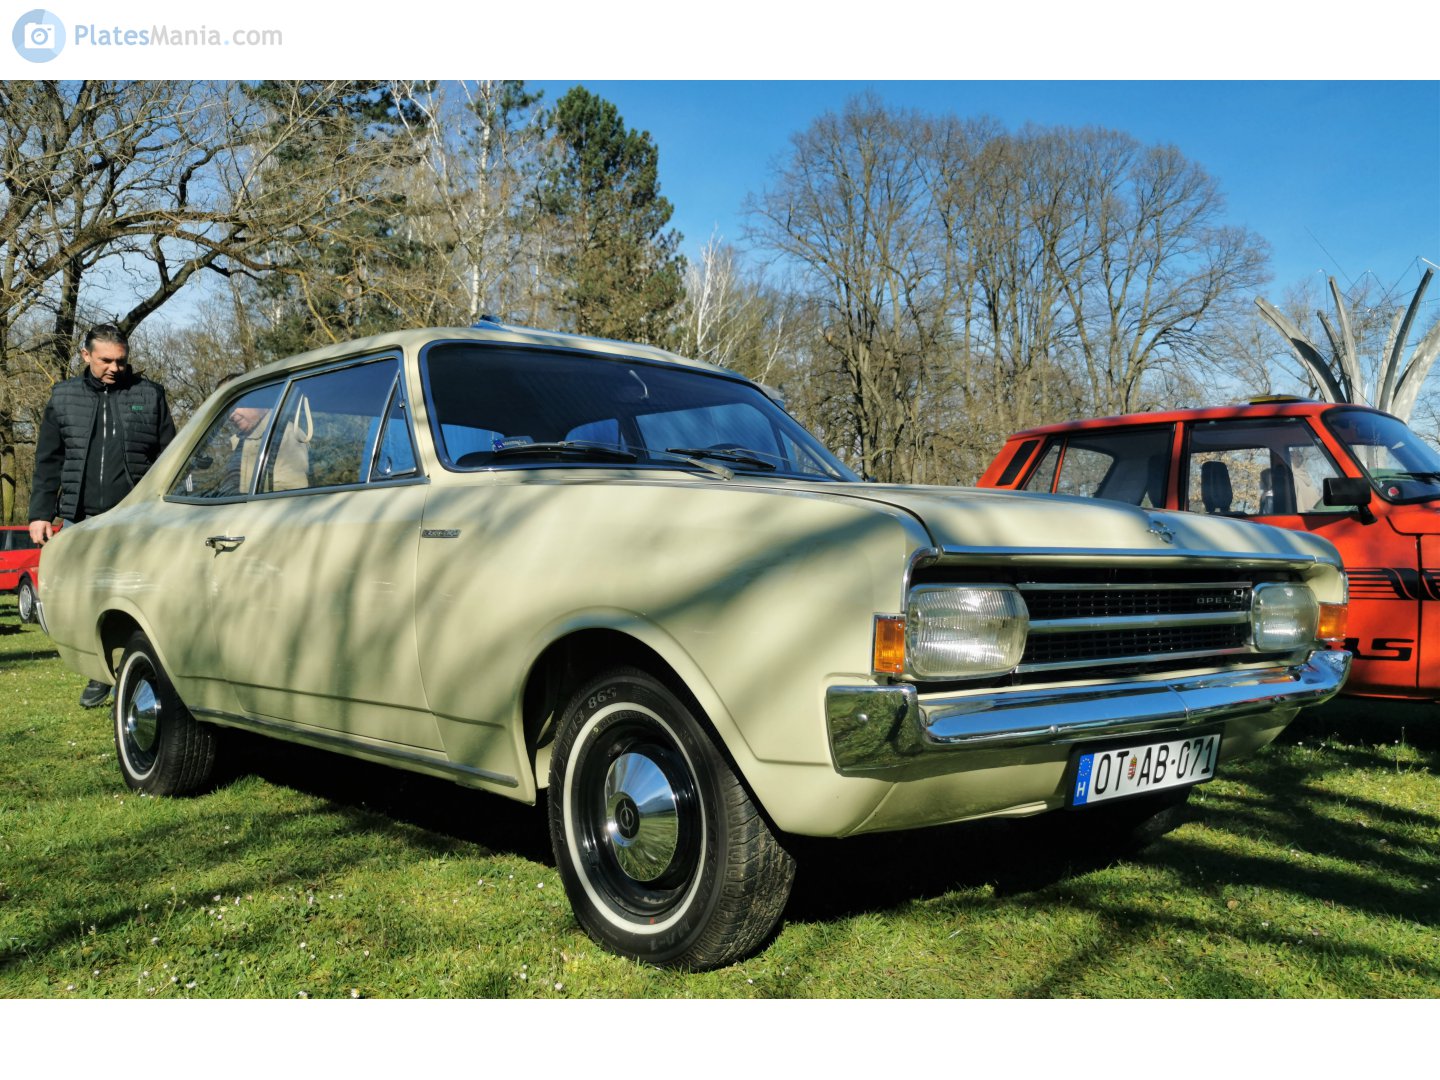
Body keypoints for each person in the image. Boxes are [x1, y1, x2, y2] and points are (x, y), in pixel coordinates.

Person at [28, 323, 176, 708]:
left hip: (137, 519)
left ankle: (138, 670)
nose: (114, 368)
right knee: (84, 599)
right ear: (86, 355)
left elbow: (171, 456)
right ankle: (99, 670)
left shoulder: (149, 395)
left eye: (121, 361)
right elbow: (48, 461)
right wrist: (40, 513)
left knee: (136, 598)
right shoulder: (63, 397)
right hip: (80, 519)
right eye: (105, 360)